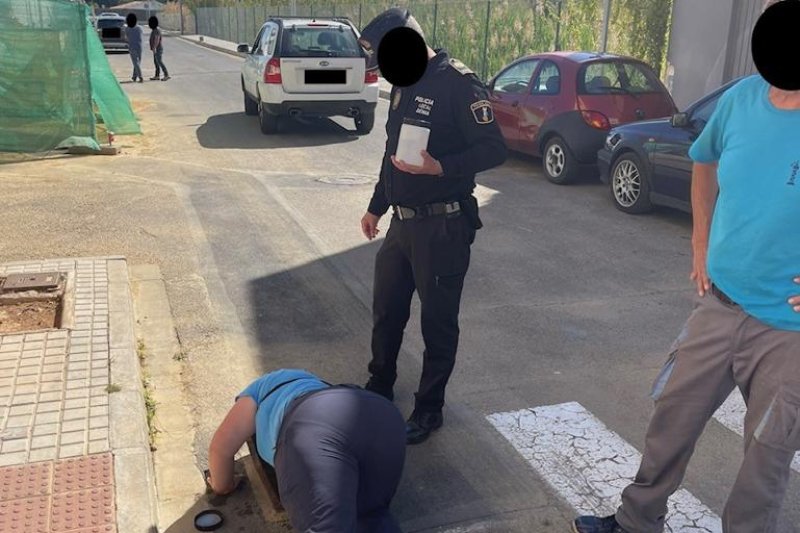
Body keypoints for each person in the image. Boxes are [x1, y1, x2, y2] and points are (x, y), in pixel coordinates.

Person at [573, 2, 800, 532]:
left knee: (766, 458)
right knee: (671, 416)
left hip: (788, 333)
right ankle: (636, 520)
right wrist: (699, 244)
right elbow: (704, 160)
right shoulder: (742, 99)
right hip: (719, 305)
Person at [357, 8, 507, 445]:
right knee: (387, 311)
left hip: (443, 227)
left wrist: (442, 167)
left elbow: (493, 149)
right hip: (401, 227)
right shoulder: (404, 85)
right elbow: (392, 154)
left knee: (437, 323)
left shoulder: (458, 85)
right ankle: (379, 386)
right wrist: (375, 207)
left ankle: (428, 409)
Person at [206, 369, 406, 533]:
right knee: (369, 514)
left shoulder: (255, 391)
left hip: (313, 427)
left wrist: (222, 485)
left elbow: (220, 449)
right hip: (383, 416)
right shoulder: (310, 381)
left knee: (326, 526)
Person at [147, 16, 170, 81]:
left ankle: (166, 75)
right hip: (155, 49)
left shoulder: (156, 31)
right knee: (156, 63)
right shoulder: (154, 30)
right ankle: (157, 75)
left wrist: (154, 48)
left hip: (158, 49)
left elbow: (156, 40)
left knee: (159, 62)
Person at [124, 13, 143, 83]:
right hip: (139, 46)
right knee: (138, 62)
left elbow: (126, 38)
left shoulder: (127, 29)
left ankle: (140, 76)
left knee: (135, 62)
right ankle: (134, 76)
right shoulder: (139, 28)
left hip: (132, 47)